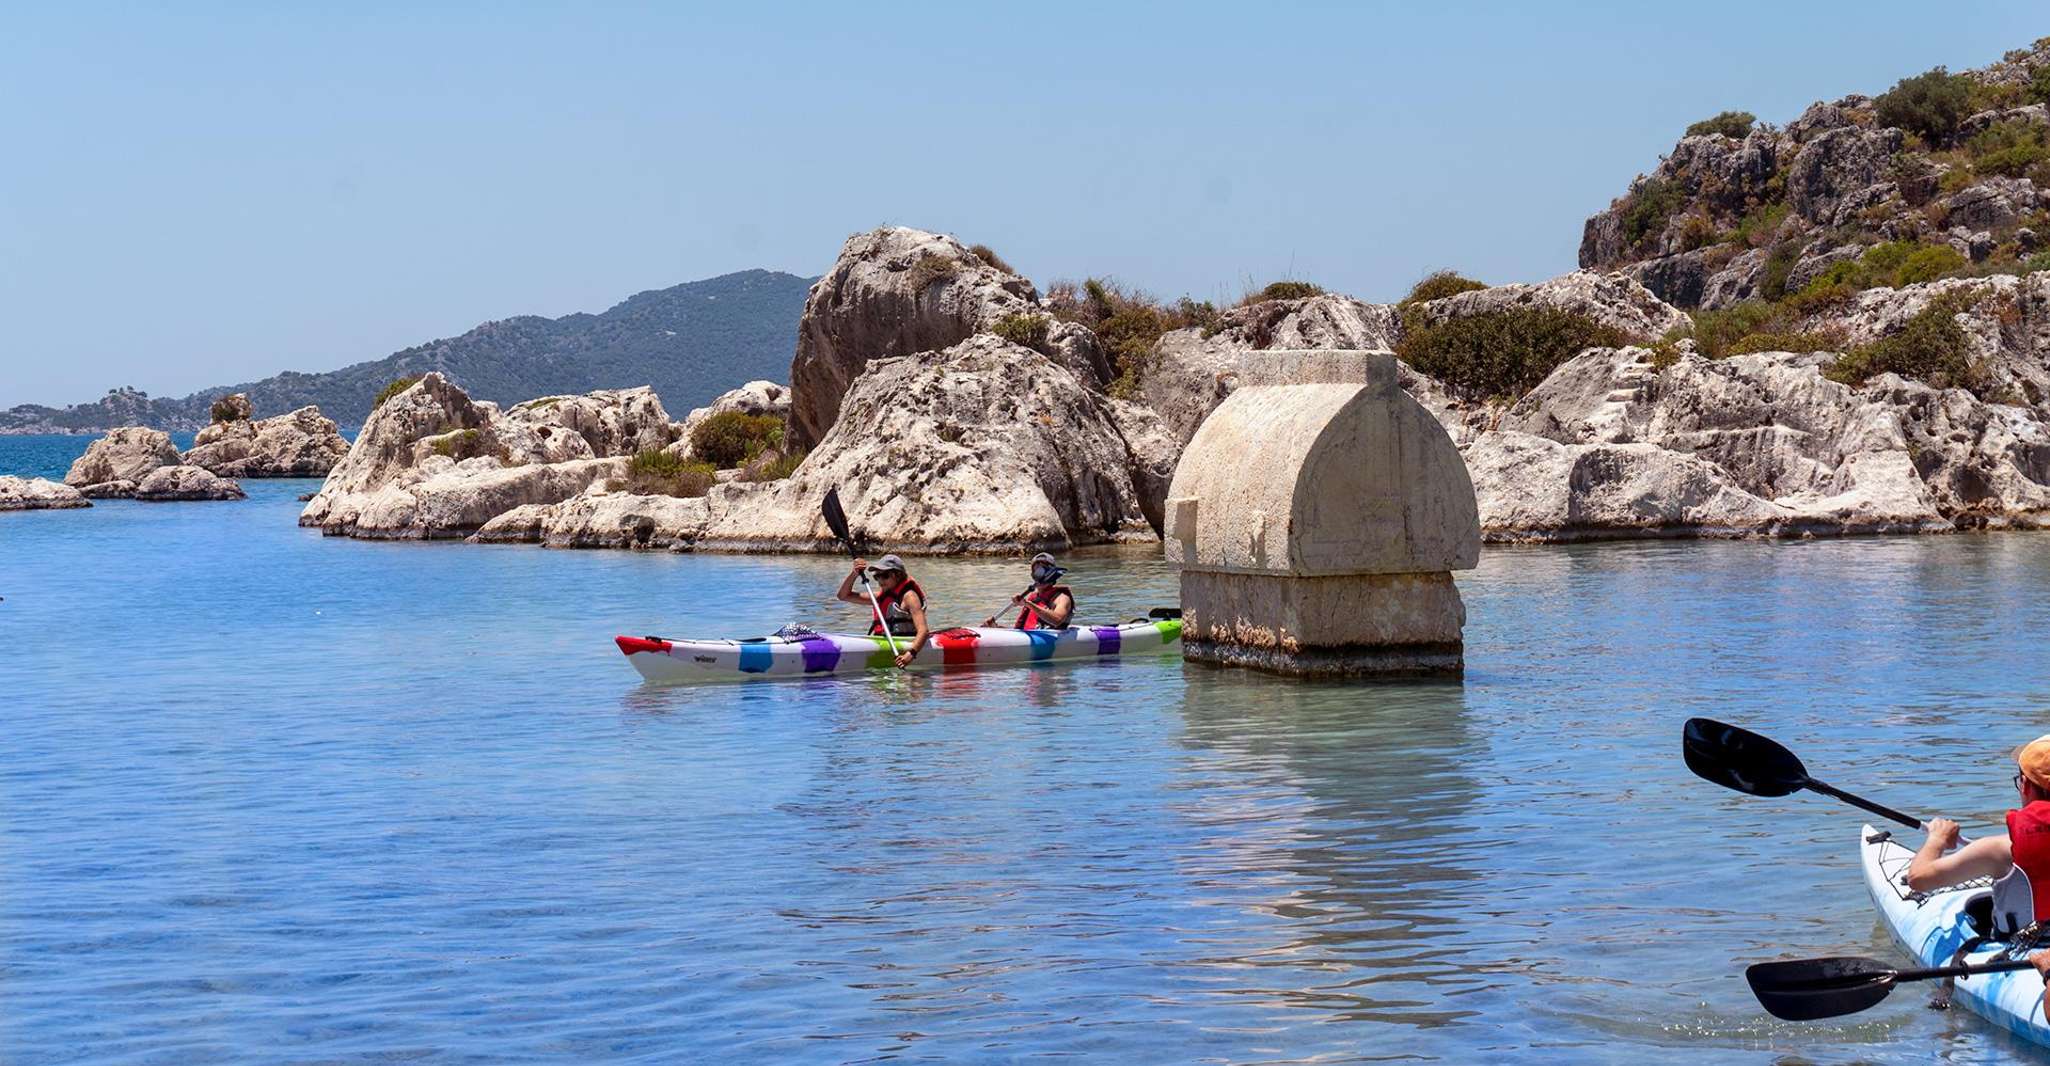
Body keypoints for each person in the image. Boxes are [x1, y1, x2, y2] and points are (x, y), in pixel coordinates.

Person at [1906, 735, 2050, 992]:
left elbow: (1918, 878)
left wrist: (1936, 839)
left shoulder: (1999, 849)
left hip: (2023, 953)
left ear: (2026, 785)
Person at [837, 554, 928, 668]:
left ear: (898, 575)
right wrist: (854, 574)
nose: (880, 580)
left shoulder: (909, 597)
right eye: (877, 576)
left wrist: (910, 654)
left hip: (907, 645)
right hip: (882, 640)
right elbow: (843, 596)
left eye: (884, 575)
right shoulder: (878, 597)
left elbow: (923, 630)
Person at [983, 552, 1074, 630]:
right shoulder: (1034, 599)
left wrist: (1028, 604)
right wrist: (996, 628)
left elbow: (1057, 620)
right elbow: (1021, 632)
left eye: (1041, 570)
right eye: (1035, 571)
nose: (1038, 575)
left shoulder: (1062, 598)